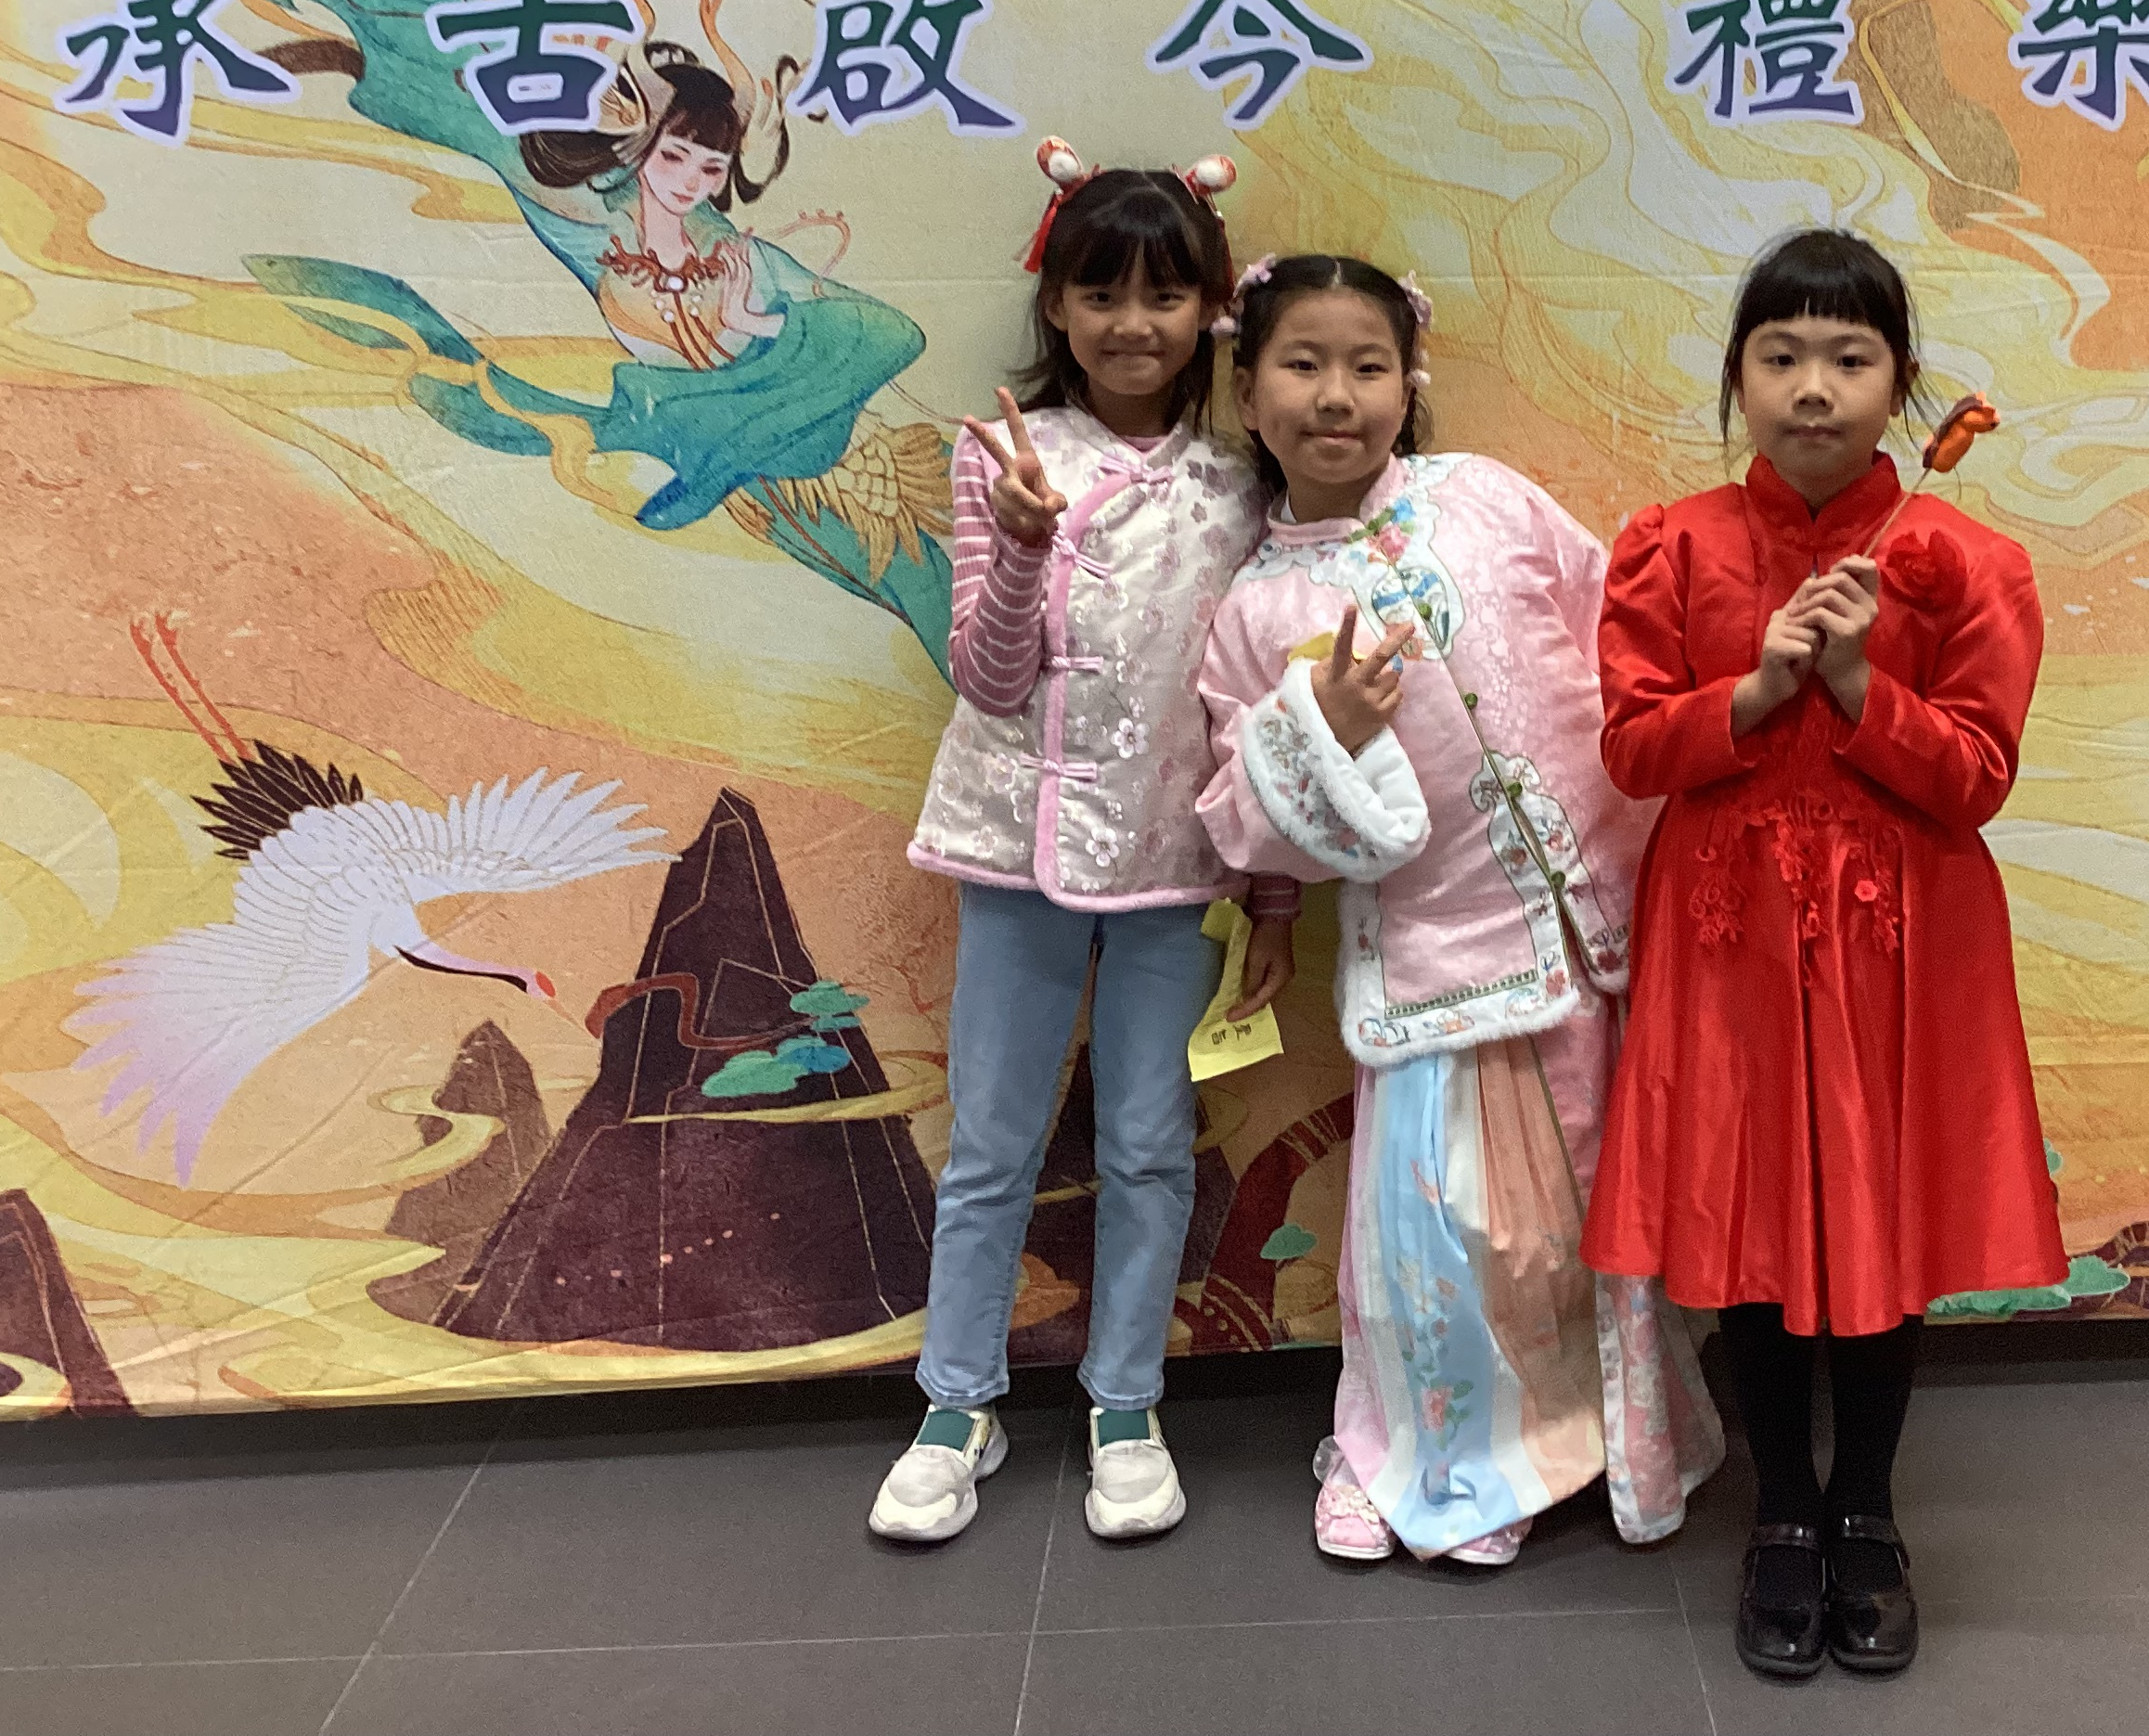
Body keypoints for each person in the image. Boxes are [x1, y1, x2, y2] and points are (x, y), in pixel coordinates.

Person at [1583, 229, 2065, 1680]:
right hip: (1727, 932)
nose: (1813, 387)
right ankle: (1782, 1513)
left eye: (1850, 358)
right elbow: (1632, 750)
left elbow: (1977, 780)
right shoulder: (1670, 546)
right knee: (1748, 1213)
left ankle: (1869, 1509)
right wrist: (1757, 689)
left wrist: (1859, 683)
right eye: (1781, 355)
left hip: (1902, 940)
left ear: (1900, 381)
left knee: (1880, 1220)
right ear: (1737, 379)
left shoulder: (1968, 563)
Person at [1193, 254, 1721, 1568]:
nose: (1337, 396)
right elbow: (1245, 816)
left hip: (1602, 923)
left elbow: (1613, 623)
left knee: (1587, 1225)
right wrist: (1321, 731)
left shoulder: (1483, 496)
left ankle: (1599, 1439)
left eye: (1367, 366)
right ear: (1247, 394)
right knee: (1452, 1232)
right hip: (1442, 954)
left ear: (1409, 381)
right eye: (1302, 365)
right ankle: (1443, 1454)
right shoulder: (1256, 610)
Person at [182, 0, 958, 676]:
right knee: (924, 605)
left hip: (860, 458)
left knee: (951, 585)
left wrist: (756, 325)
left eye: (711, 166)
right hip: (749, 476)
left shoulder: (740, 254)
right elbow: (487, 86)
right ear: (641, 144)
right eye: (676, 156)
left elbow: (872, 331)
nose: (692, 180)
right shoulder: (584, 211)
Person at [869, 140, 1268, 1547]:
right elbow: (986, 679)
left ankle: (1126, 1401)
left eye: (1165, 294)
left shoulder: (1245, 483)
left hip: (1178, 858)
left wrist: (1274, 890)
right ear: (1055, 305)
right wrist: (1026, 542)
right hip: (1016, 848)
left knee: (1151, 1141)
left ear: (1212, 309)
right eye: (1101, 293)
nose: (1132, 324)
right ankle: (955, 1402)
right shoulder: (1002, 456)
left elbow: (1256, 690)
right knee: (993, 1140)